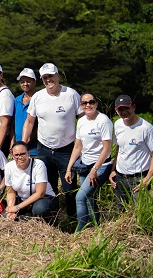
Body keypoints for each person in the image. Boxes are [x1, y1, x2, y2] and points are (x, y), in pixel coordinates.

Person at [22, 63, 82, 218]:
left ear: (58, 76)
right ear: (42, 79)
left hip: (66, 149)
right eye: (45, 77)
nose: (49, 80)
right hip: (44, 149)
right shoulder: (38, 97)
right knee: (48, 186)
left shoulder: (71, 94)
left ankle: (72, 219)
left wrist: (81, 143)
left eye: (51, 76)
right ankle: (53, 218)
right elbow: (29, 122)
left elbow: (82, 119)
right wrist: (23, 143)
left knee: (70, 187)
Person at [64, 93, 113, 231]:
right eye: (84, 103)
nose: (88, 105)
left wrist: (95, 169)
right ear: (81, 105)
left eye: (91, 102)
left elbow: (107, 148)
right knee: (89, 198)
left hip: (101, 165)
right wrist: (69, 168)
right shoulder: (81, 121)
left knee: (80, 197)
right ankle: (96, 228)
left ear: (96, 103)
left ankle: (80, 230)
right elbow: (78, 146)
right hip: (85, 164)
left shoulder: (103, 120)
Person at [109, 95, 153, 210]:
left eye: (127, 108)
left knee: (140, 212)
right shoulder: (117, 124)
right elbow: (118, 148)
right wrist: (112, 170)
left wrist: (147, 179)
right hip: (120, 177)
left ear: (133, 107)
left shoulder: (146, 128)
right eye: (120, 109)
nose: (124, 112)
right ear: (116, 111)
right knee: (119, 211)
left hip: (139, 178)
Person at [5, 141, 58, 221]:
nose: (20, 157)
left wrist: (17, 207)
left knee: (40, 209)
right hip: (22, 199)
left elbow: (40, 193)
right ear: (12, 156)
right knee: (5, 216)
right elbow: (10, 192)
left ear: (28, 154)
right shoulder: (9, 167)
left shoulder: (38, 164)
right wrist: (11, 209)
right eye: (16, 155)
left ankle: (47, 221)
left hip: (42, 198)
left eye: (23, 154)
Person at [12, 68, 38, 156]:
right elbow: (12, 124)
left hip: (34, 149)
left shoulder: (39, 99)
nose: (25, 84)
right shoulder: (16, 100)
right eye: (22, 82)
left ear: (34, 82)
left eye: (28, 81)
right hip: (17, 148)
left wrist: (26, 142)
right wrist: (13, 144)